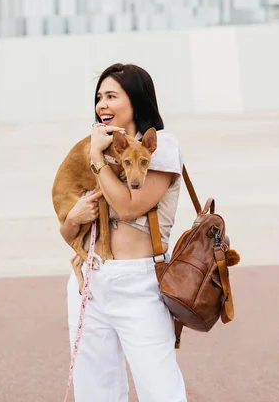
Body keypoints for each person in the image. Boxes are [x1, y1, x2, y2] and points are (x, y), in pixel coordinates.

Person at [60, 63, 187, 402]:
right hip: (88, 282)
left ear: (136, 101)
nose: (102, 104)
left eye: (112, 96)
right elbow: (69, 232)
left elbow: (131, 206)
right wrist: (73, 216)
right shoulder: (99, 149)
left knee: (161, 390)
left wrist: (97, 159)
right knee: (94, 393)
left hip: (139, 283)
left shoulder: (160, 147)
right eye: (99, 97)